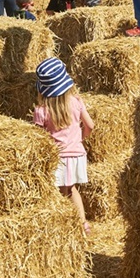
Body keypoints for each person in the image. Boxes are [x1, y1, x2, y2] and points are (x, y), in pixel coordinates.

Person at [32, 57, 94, 236]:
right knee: (72, 189)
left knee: (59, 192)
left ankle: (63, 228)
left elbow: (38, 138)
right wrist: (81, 139)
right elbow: (90, 125)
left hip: (58, 159)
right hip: (77, 156)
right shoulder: (76, 101)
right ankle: (83, 224)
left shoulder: (42, 111)